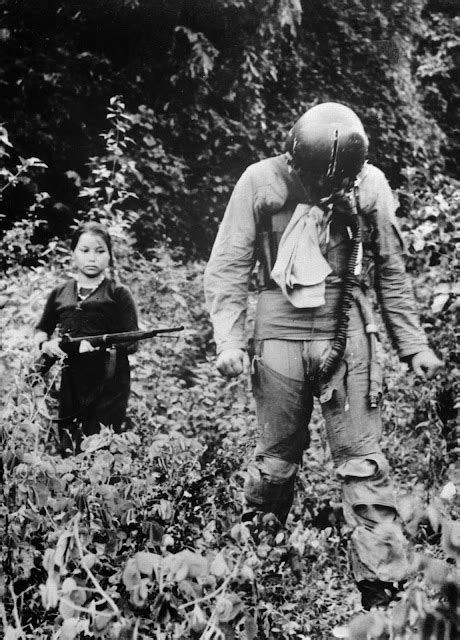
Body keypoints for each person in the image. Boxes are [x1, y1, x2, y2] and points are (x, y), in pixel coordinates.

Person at [204, 102, 443, 609]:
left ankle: (383, 597)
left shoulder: (371, 186)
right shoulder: (260, 182)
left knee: (364, 467)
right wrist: (228, 339)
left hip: (349, 332)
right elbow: (228, 265)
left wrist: (414, 345)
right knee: (274, 467)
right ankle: (253, 576)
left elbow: (391, 271)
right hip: (278, 334)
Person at [35, 222, 138, 455]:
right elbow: (42, 329)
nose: (92, 258)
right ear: (73, 253)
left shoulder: (118, 293)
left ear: (110, 255)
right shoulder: (60, 292)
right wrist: (46, 344)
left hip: (110, 381)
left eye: (100, 251)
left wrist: (96, 345)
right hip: (72, 379)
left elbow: (132, 341)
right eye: (85, 250)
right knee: (69, 445)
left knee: (101, 447)